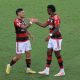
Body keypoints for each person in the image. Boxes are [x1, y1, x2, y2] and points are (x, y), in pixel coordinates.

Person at [35, 5, 65, 76]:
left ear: (50, 10)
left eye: (47, 10)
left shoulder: (56, 17)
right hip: (52, 39)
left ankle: (62, 71)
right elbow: (43, 25)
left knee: (57, 54)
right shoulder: (50, 17)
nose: (47, 11)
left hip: (57, 38)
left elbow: (57, 28)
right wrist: (36, 22)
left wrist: (50, 35)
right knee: (49, 52)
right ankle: (47, 70)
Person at [6, 8, 36, 74]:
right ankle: (9, 65)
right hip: (20, 42)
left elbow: (25, 29)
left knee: (28, 53)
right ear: (18, 13)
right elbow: (24, 27)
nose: (24, 13)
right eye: (22, 12)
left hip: (26, 40)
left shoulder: (22, 20)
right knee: (18, 57)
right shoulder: (16, 21)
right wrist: (31, 22)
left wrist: (30, 34)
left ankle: (28, 69)